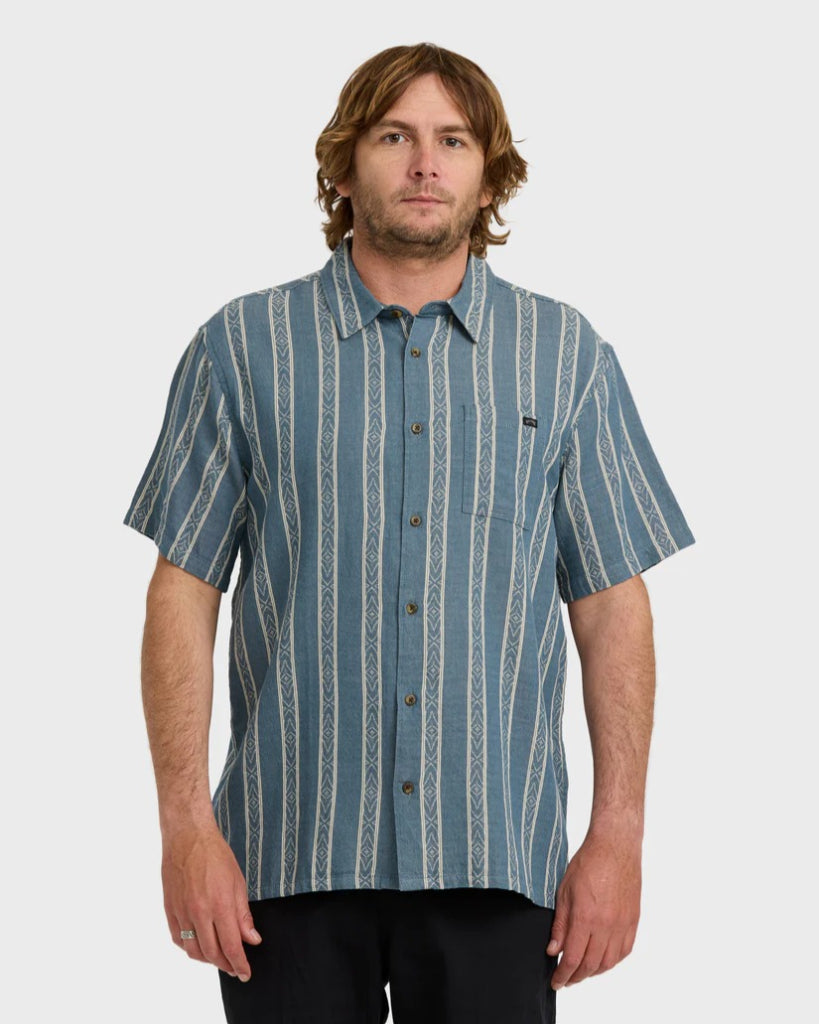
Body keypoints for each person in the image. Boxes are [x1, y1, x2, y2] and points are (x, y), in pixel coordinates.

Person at [124, 41, 695, 1024]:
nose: (426, 164)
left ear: (489, 175)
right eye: (394, 137)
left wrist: (618, 837)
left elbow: (611, 609)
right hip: (286, 857)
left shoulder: (566, 357)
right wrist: (185, 829)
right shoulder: (241, 348)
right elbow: (183, 593)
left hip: (497, 857)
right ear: (345, 166)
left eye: (453, 141)